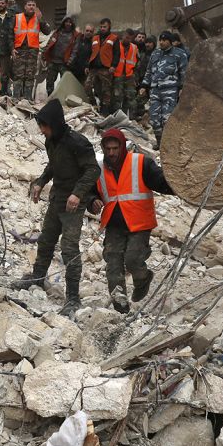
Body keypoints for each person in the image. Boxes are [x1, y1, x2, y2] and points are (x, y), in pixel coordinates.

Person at [8, 99, 98, 318]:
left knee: (69, 248)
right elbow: (53, 165)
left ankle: (73, 297)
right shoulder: (51, 141)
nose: (41, 130)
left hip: (73, 204)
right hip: (58, 198)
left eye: (44, 126)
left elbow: (93, 170)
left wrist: (78, 193)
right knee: (46, 239)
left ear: (55, 124)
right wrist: (40, 182)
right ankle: (38, 276)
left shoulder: (78, 142)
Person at [88, 129, 173, 312]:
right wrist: (91, 201)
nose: (112, 153)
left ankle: (143, 278)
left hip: (139, 223)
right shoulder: (99, 168)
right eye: (108, 149)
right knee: (113, 265)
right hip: (114, 224)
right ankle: (121, 308)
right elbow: (90, 190)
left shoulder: (140, 162)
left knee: (133, 259)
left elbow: (161, 181)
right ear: (103, 148)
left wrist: (180, 186)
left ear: (122, 146)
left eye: (115, 148)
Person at [142, 31, 190, 146]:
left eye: (164, 40)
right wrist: (144, 85)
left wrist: (183, 88)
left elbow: (184, 73)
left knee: (167, 119)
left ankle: (168, 145)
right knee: (154, 120)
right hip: (155, 90)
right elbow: (149, 71)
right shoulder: (155, 54)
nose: (162, 42)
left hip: (170, 90)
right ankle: (160, 143)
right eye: (160, 40)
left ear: (170, 41)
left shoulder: (179, 54)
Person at [11, 0, 50, 99]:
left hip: (32, 52)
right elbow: (10, 34)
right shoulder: (17, 17)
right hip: (19, 50)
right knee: (18, 75)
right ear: (25, 7)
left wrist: (41, 19)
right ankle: (16, 98)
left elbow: (47, 31)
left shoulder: (38, 18)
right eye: (29, 5)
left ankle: (27, 100)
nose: (31, 7)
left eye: (33, 5)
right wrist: (12, 48)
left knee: (30, 76)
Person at [86, 18, 118, 114]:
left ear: (109, 27)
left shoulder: (114, 38)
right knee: (87, 86)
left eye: (105, 27)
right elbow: (90, 52)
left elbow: (117, 53)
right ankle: (93, 104)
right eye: (101, 27)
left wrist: (113, 66)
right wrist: (87, 65)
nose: (102, 28)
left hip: (106, 68)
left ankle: (105, 110)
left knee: (106, 90)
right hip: (94, 67)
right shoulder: (95, 37)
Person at [42, 16, 79, 94]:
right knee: (49, 81)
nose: (68, 24)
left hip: (64, 63)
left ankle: (62, 98)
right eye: (66, 22)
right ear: (63, 23)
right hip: (53, 61)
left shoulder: (75, 35)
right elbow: (49, 43)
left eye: (70, 22)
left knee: (64, 83)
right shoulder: (57, 33)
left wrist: (70, 61)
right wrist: (45, 54)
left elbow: (75, 50)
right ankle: (50, 97)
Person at [112, 29, 141, 119]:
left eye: (130, 38)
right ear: (123, 36)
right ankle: (117, 118)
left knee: (130, 98)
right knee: (117, 98)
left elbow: (138, 62)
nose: (127, 40)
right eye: (126, 37)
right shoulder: (116, 45)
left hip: (130, 76)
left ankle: (131, 118)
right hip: (117, 75)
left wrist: (135, 75)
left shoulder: (134, 47)